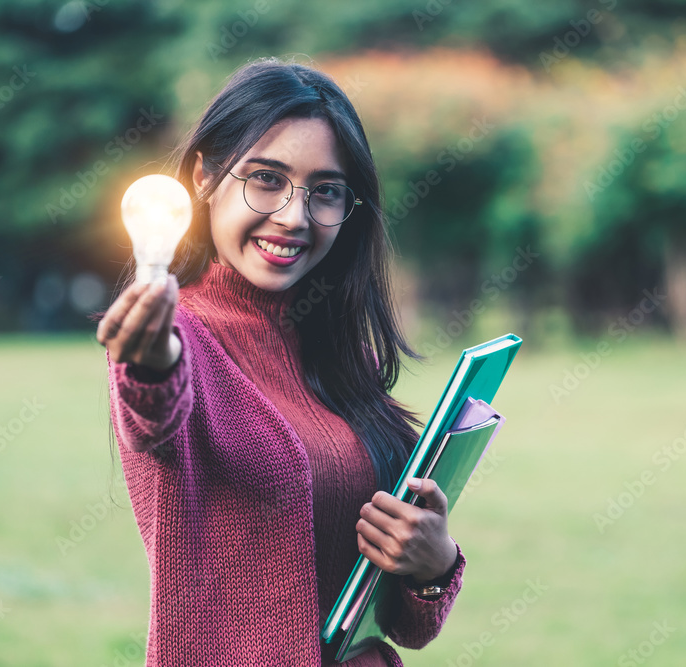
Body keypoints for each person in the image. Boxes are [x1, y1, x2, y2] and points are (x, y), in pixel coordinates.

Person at [96, 57, 466, 666]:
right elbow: (155, 410)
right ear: (205, 180)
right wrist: (154, 359)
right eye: (266, 179)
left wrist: (434, 563)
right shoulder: (180, 336)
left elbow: (408, 628)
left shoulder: (341, 350)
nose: (294, 216)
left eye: (325, 192)